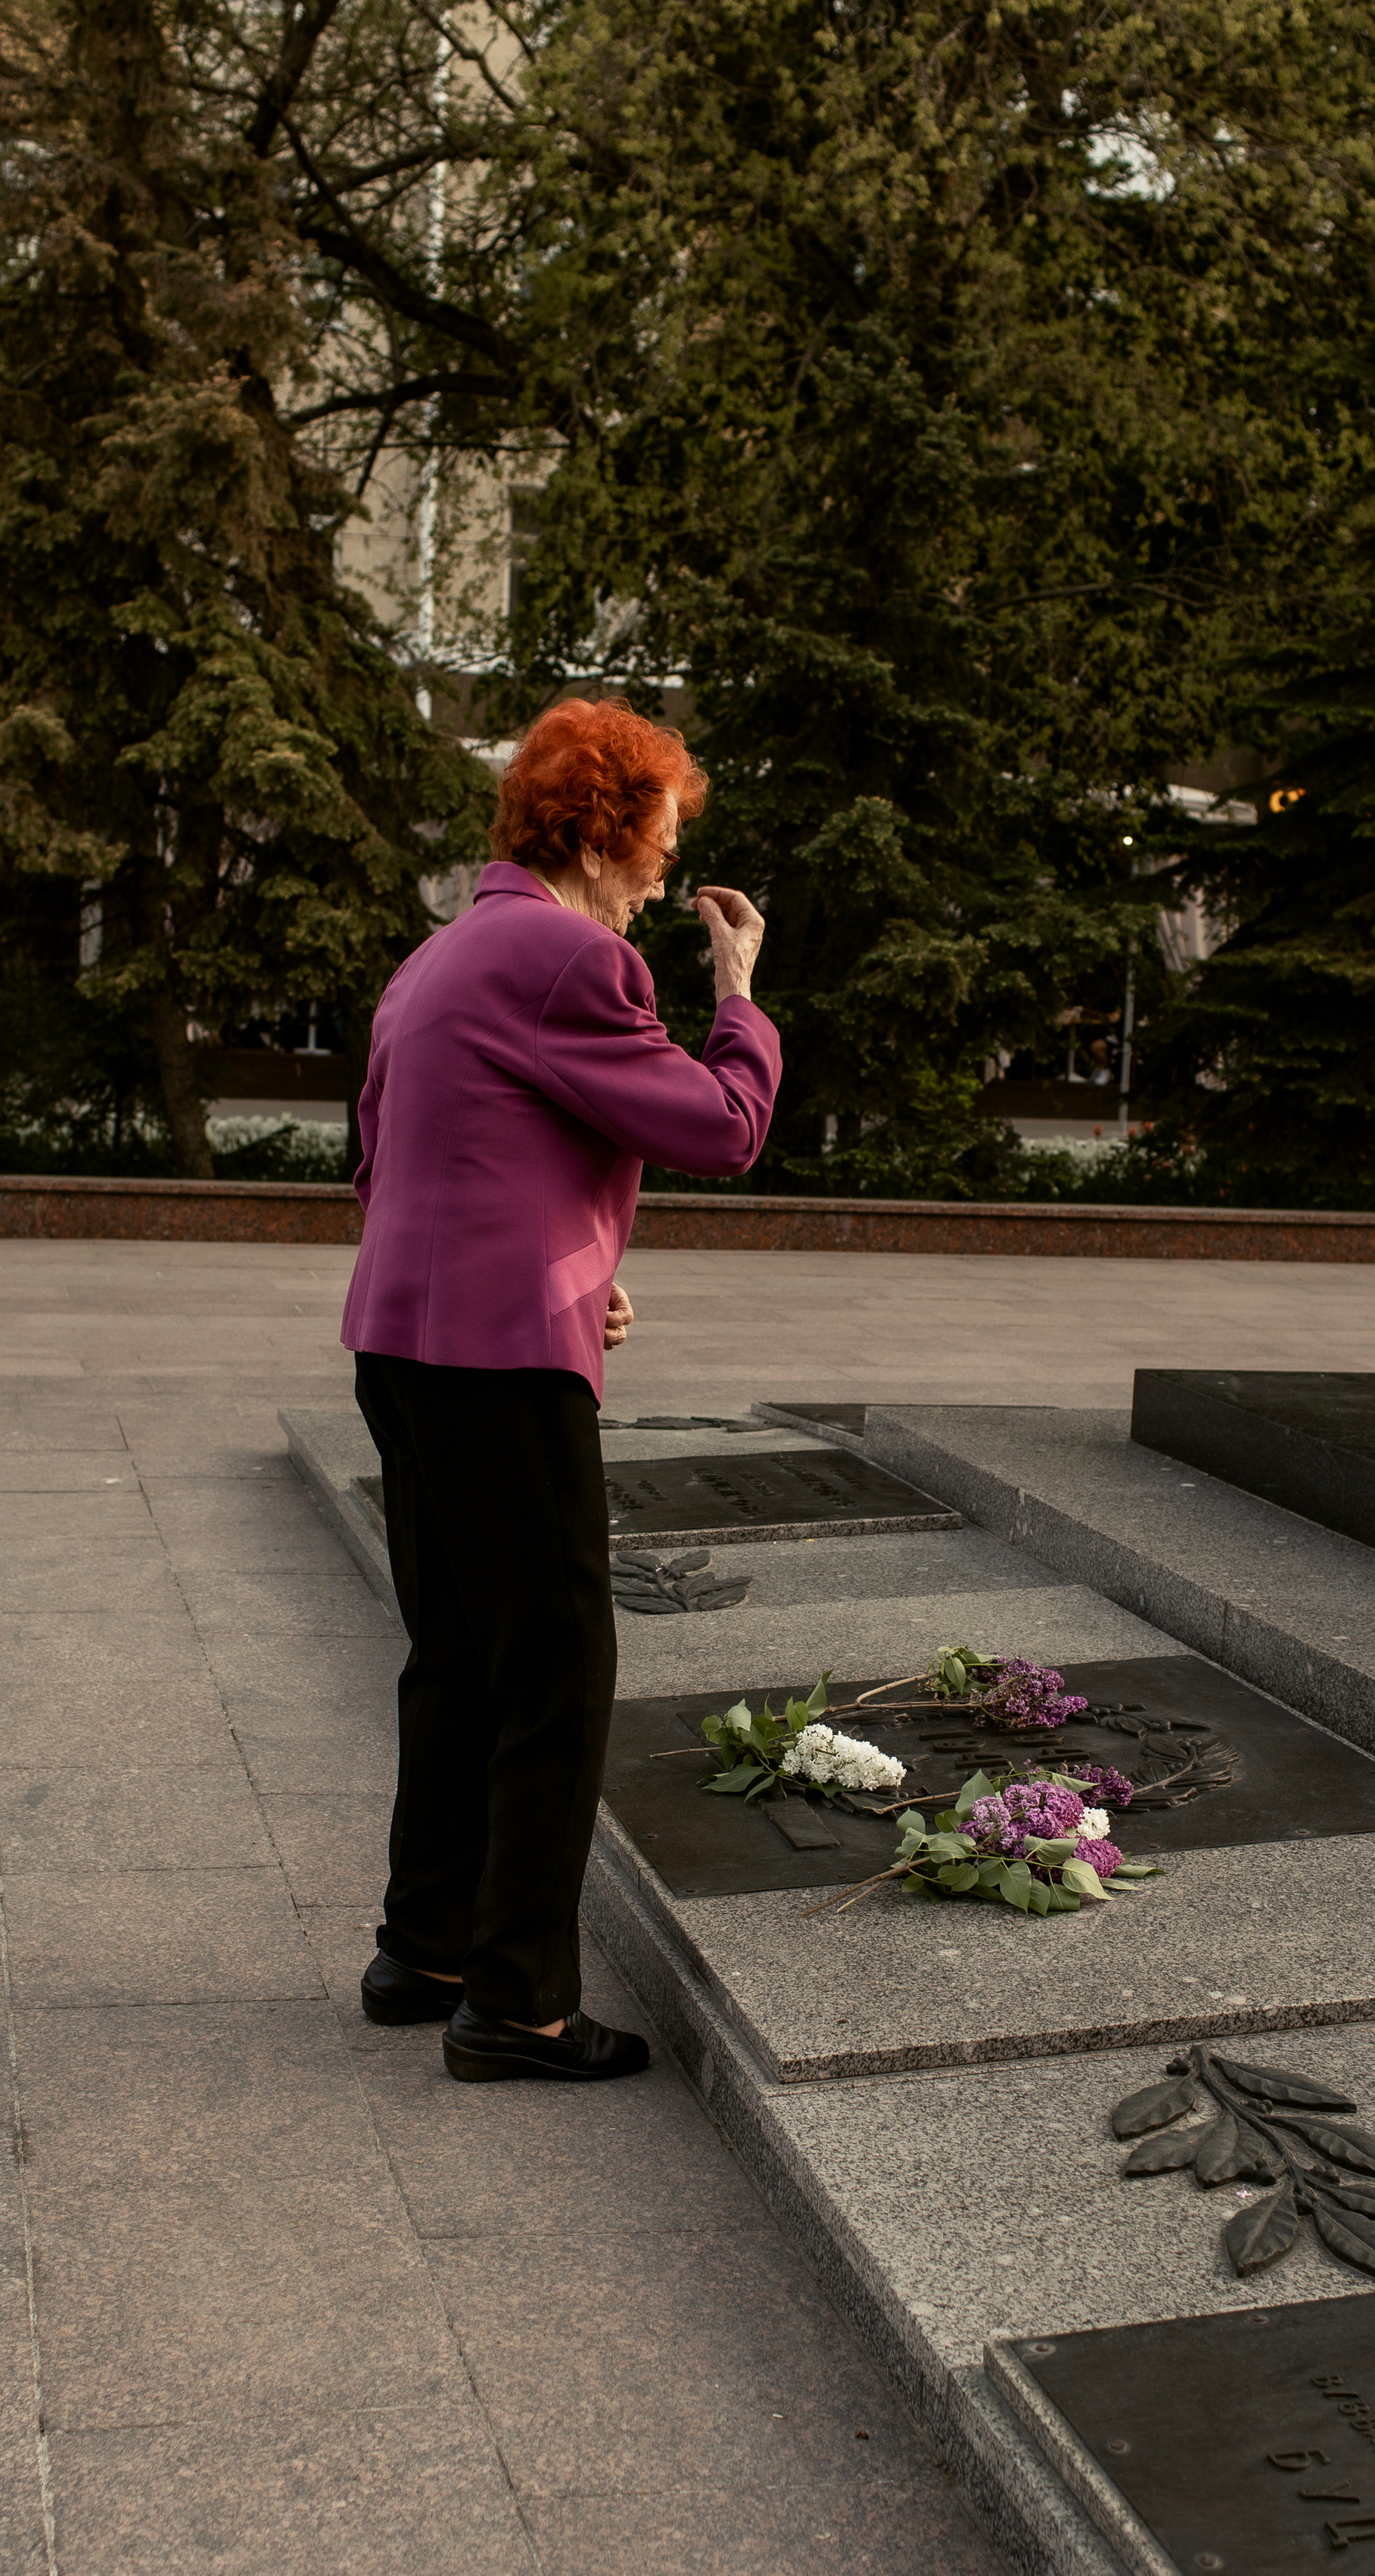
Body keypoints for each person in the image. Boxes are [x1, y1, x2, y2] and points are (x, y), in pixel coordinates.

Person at [340, 697, 779, 2084]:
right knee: (560, 1675)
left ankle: (426, 1950)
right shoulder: (570, 959)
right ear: (607, 826)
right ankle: (519, 2002)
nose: (664, 867)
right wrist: (742, 994)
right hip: (497, 1365)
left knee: (458, 1657)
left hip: (403, 1349)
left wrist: (572, 1265)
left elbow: (392, 1166)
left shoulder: (438, 957)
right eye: (659, 832)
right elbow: (721, 1129)